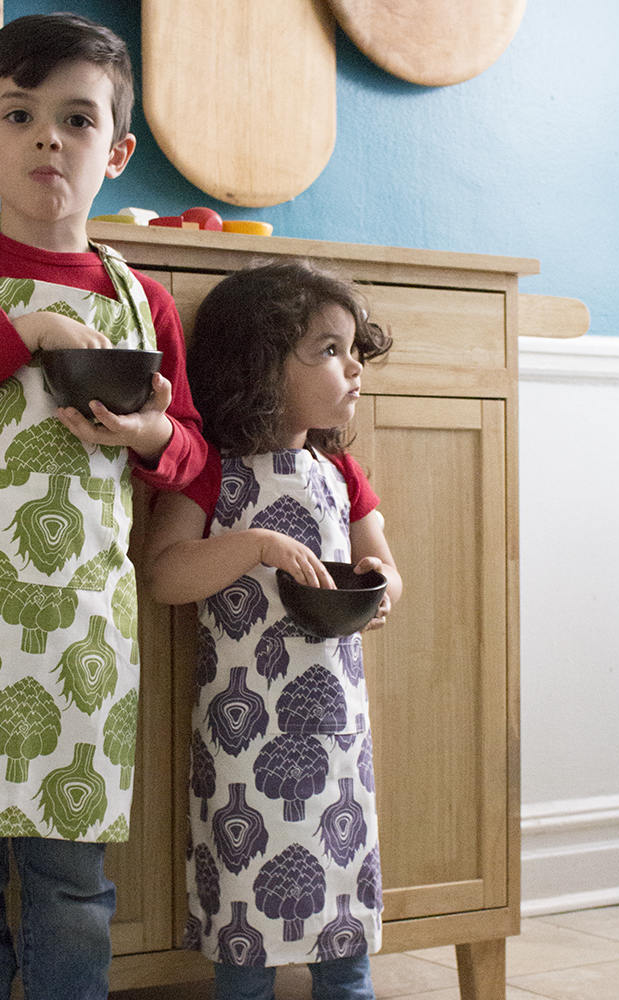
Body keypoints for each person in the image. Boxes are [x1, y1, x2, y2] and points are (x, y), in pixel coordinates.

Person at [0, 13, 207, 1000]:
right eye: (20, 115)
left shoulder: (144, 300)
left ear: (118, 151)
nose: (48, 139)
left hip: (83, 637)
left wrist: (146, 436)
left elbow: (193, 459)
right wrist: (22, 327)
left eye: (76, 118)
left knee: (72, 886)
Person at [146, 260, 402, 1000]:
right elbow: (164, 575)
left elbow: (380, 562)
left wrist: (382, 590)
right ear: (259, 365)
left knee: (345, 917)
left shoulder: (339, 472)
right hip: (242, 745)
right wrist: (254, 544)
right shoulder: (209, 470)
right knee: (246, 918)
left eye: (354, 350)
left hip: (337, 736)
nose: (352, 368)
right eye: (328, 350)